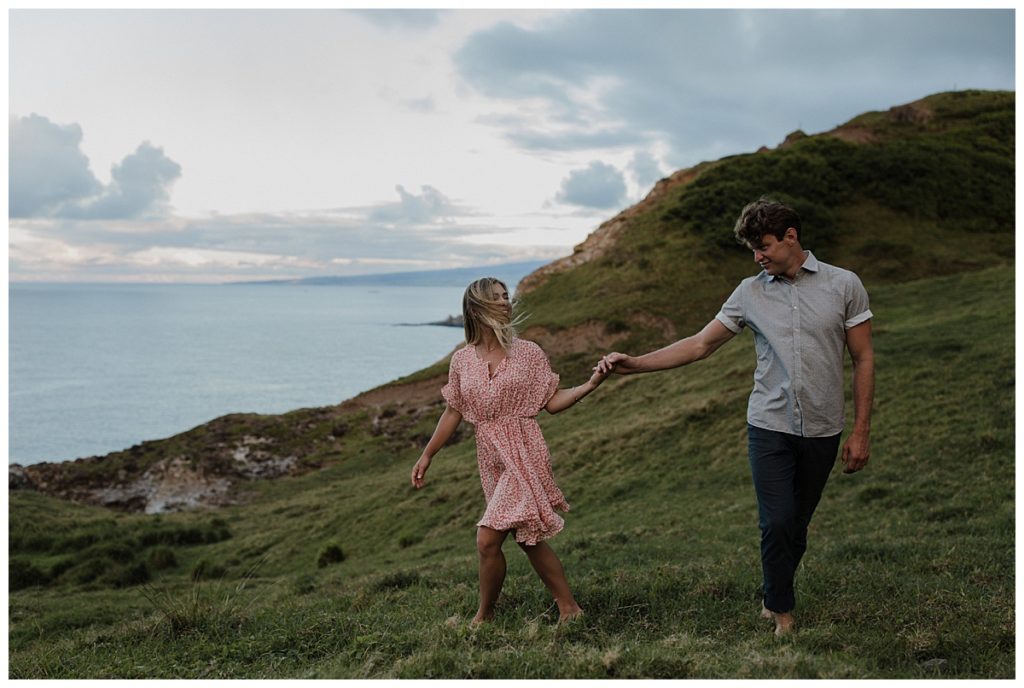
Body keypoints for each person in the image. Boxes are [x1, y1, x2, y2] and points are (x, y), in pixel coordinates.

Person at [596, 197, 875, 636]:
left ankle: (772, 592)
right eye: (752, 250)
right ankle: (782, 614)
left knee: (797, 525)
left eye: (764, 246)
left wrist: (861, 432)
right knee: (777, 520)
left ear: (791, 237)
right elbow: (699, 345)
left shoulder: (844, 285)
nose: (758, 256)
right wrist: (635, 363)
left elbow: (863, 358)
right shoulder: (749, 292)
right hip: (769, 423)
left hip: (824, 427)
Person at [411, 277, 608, 625]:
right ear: (476, 307)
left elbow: (552, 402)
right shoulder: (461, 360)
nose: (506, 302)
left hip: (524, 449)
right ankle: (569, 609)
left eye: (507, 297)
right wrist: (428, 455)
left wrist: (590, 384)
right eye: (497, 298)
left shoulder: (529, 353)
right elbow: (453, 410)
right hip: (491, 457)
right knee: (526, 537)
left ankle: (483, 617)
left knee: (487, 538)